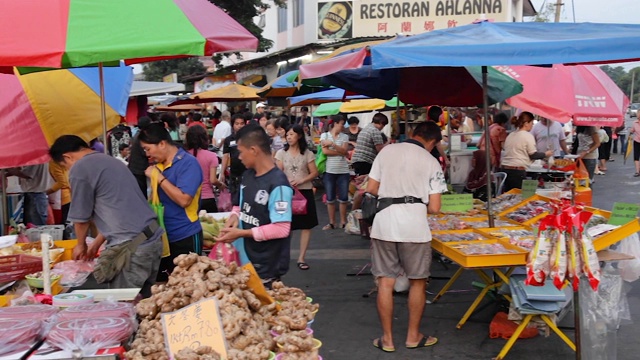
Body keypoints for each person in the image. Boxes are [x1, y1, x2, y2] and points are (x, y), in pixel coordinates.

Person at [365, 121, 447, 353]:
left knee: (385, 282)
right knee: (417, 282)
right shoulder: (431, 162)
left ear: (412, 134)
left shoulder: (387, 151)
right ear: (432, 142)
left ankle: (388, 339)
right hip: (414, 227)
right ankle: (413, 336)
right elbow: (435, 207)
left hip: (384, 224)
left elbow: (371, 188)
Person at [48, 135, 164, 298]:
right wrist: (96, 244)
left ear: (68, 157)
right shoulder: (111, 161)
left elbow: (81, 217)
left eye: (65, 166)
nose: (68, 170)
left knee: (124, 306)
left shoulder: (80, 168)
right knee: (144, 303)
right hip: (151, 239)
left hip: (132, 247)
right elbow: (118, 209)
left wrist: (80, 244)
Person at [215, 124, 293, 286]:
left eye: (241, 152)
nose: (239, 157)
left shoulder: (278, 184)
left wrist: (241, 233)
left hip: (267, 264)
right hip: (246, 259)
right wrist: (234, 217)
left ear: (253, 150)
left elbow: (281, 228)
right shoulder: (248, 175)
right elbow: (239, 205)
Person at [138, 122, 203, 282]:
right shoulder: (158, 166)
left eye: (148, 148)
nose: (147, 154)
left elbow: (184, 200)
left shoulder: (188, 163)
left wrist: (159, 178)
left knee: (189, 286)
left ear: (162, 143)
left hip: (185, 235)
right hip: (163, 238)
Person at [275, 125, 319, 271]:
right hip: (287, 192)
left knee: (306, 226)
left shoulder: (307, 153)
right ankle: (284, 255)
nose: (289, 137)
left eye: (292, 134)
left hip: (304, 192)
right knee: (287, 225)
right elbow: (278, 172)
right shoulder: (281, 153)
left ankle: (301, 257)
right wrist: (285, 182)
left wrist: (302, 180)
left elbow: (314, 172)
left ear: (299, 136)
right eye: (287, 134)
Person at [499, 112, 553, 192]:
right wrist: (546, 154)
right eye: (531, 123)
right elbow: (533, 155)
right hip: (517, 172)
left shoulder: (511, 135)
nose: (532, 125)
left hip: (505, 170)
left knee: (509, 196)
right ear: (526, 123)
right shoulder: (527, 136)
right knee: (520, 196)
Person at [185, 125, 226, 213]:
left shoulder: (184, 156)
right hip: (207, 198)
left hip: (189, 198)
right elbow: (213, 180)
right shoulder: (211, 156)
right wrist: (221, 185)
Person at [320, 115, 350, 230]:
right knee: (330, 198)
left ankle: (343, 221)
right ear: (336, 123)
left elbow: (345, 150)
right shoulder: (324, 135)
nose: (342, 126)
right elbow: (325, 151)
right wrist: (341, 152)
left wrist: (332, 144)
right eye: (342, 123)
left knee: (343, 198)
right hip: (329, 170)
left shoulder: (345, 137)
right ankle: (332, 222)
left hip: (343, 170)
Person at [220, 114, 248, 205]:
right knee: (235, 200)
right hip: (234, 174)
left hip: (248, 173)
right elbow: (225, 156)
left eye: (242, 123)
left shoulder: (249, 138)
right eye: (237, 123)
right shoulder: (228, 140)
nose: (239, 126)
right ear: (233, 125)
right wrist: (222, 172)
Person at [128, 116, 152, 198]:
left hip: (135, 168)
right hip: (138, 169)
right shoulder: (142, 138)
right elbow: (146, 153)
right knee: (142, 193)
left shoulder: (137, 135)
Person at [47, 159, 71, 225]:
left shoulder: (53, 163)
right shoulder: (64, 161)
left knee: (59, 222)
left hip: (60, 198)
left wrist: (46, 192)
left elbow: (61, 182)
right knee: (64, 222)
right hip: (67, 196)